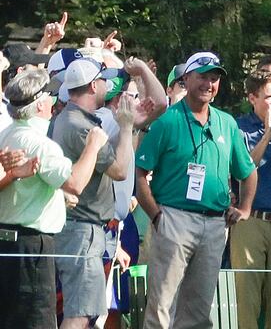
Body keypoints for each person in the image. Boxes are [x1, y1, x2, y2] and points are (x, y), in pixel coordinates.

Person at [134, 52, 257, 328]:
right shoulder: (166, 121)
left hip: (215, 223)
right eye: (202, 76)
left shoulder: (226, 123)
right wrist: (156, 216)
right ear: (186, 79)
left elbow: (248, 171)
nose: (208, 84)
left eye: (214, 78)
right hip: (174, 218)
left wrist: (245, 208)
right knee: (162, 306)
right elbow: (139, 173)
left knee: (199, 310)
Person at [0, 68, 110, 329]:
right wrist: (93, 145)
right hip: (31, 247)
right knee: (36, 321)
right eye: (49, 95)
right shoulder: (41, 144)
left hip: (9, 243)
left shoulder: (6, 134)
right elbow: (75, 183)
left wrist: (56, 197)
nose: (53, 99)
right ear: (40, 104)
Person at [50, 58, 135, 329]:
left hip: (77, 229)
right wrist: (125, 127)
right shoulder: (82, 127)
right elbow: (119, 170)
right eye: (103, 80)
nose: (107, 86)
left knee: (82, 310)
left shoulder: (66, 118)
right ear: (93, 85)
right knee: (81, 312)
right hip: (82, 231)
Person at [231, 69, 271, 329]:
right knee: (247, 299)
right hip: (251, 221)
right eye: (268, 97)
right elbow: (245, 169)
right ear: (252, 98)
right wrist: (267, 134)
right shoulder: (239, 127)